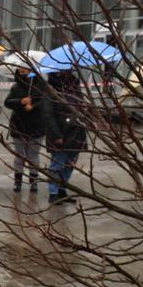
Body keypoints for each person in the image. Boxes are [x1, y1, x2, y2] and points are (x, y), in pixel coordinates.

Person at [4, 67, 52, 192]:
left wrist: (33, 106)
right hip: (18, 126)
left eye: (24, 69)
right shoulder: (15, 87)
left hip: (36, 126)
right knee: (19, 156)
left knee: (33, 156)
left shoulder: (40, 86)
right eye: (19, 70)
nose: (21, 71)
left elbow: (45, 102)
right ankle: (18, 181)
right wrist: (21, 101)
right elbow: (7, 102)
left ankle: (33, 181)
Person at [45, 71, 88, 205]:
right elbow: (48, 115)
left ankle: (62, 190)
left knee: (69, 165)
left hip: (77, 132)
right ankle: (53, 193)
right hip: (61, 134)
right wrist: (57, 135)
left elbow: (81, 107)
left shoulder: (75, 88)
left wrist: (85, 109)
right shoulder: (51, 91)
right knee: (57, 165)